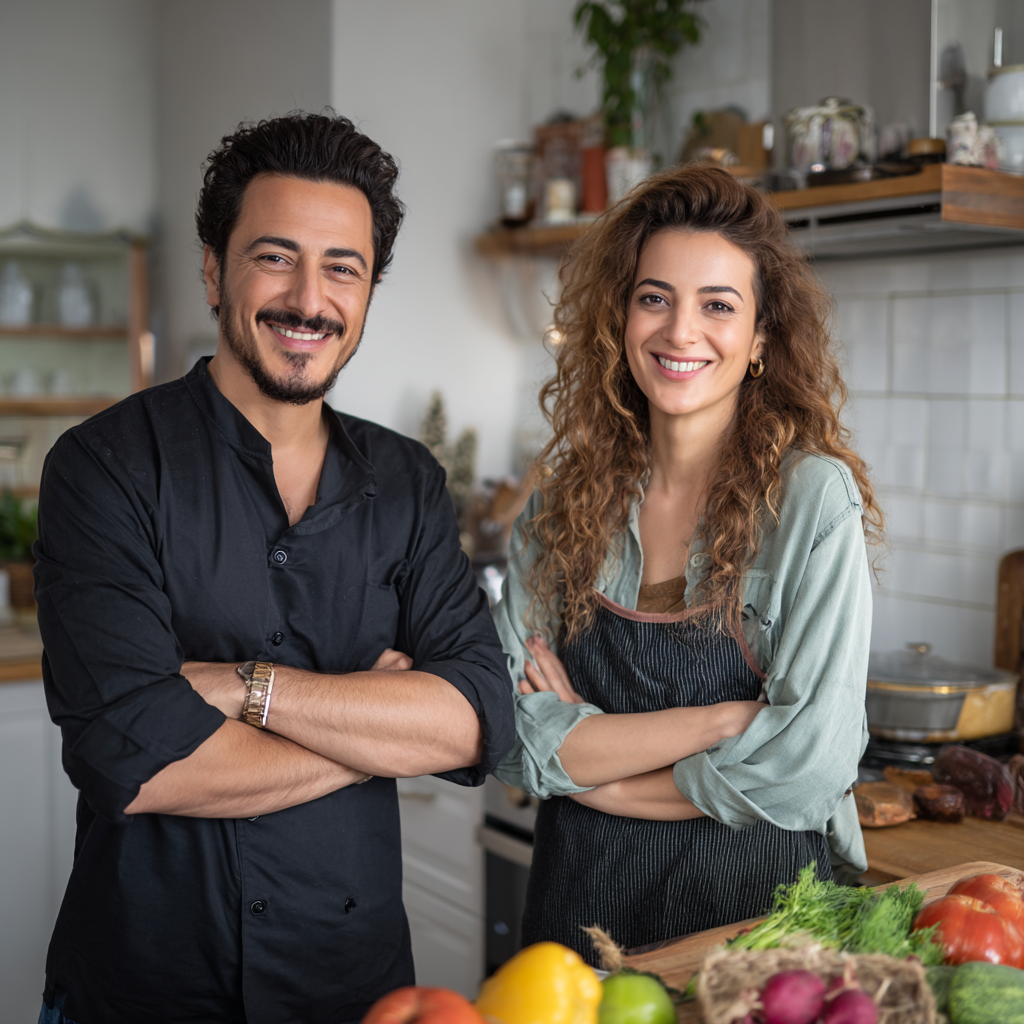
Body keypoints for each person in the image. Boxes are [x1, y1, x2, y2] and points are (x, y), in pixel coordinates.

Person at [34, 111, 514, 1024]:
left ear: (369, 290)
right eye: (275, 256)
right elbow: (137, 764)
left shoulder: (406, 480)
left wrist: (238, 687)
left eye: (343, 267)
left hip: (351, 989)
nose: (309, 298)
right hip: (145, 987)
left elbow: (476, 722)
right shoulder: (105, 467)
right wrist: (370, 738)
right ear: (214, 268)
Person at [492, 166, 882, 963]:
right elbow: (505, 732)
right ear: (620, 316)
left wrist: (596, 774)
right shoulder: (563, 499)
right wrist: (717, 724)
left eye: (718, 305)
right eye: (654, 297)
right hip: (578, 924)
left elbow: (804, 773)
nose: (680, 331)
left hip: (754, 939)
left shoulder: (811, 501)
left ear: (762, 336)